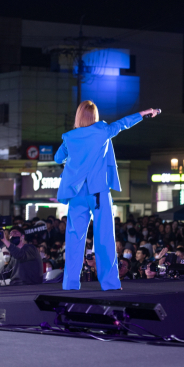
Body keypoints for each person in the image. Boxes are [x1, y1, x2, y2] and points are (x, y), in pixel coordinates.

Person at [54, 101, 159, 290]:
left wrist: (73, 157)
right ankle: (109, 283)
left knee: (74, 238)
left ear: (78, 116)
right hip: (98, 192)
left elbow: (57, 158)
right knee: (104, 238)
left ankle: (70, 283)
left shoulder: (69, 137)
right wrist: (143, 113)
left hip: (77, 193)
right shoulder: (102, 132)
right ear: (94, 116)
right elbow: (123, 123)